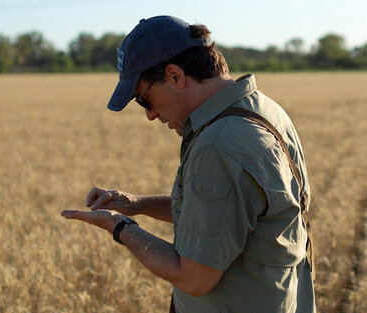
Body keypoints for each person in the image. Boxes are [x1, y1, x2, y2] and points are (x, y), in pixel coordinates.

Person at [61, 15, 316, 313]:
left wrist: (120, 227)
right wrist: (136, 204)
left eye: (144, 99)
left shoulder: (218, 146)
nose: (150, 115)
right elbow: (221, 217)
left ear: (175, 76)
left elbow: (194, 278)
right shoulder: (262, 110)